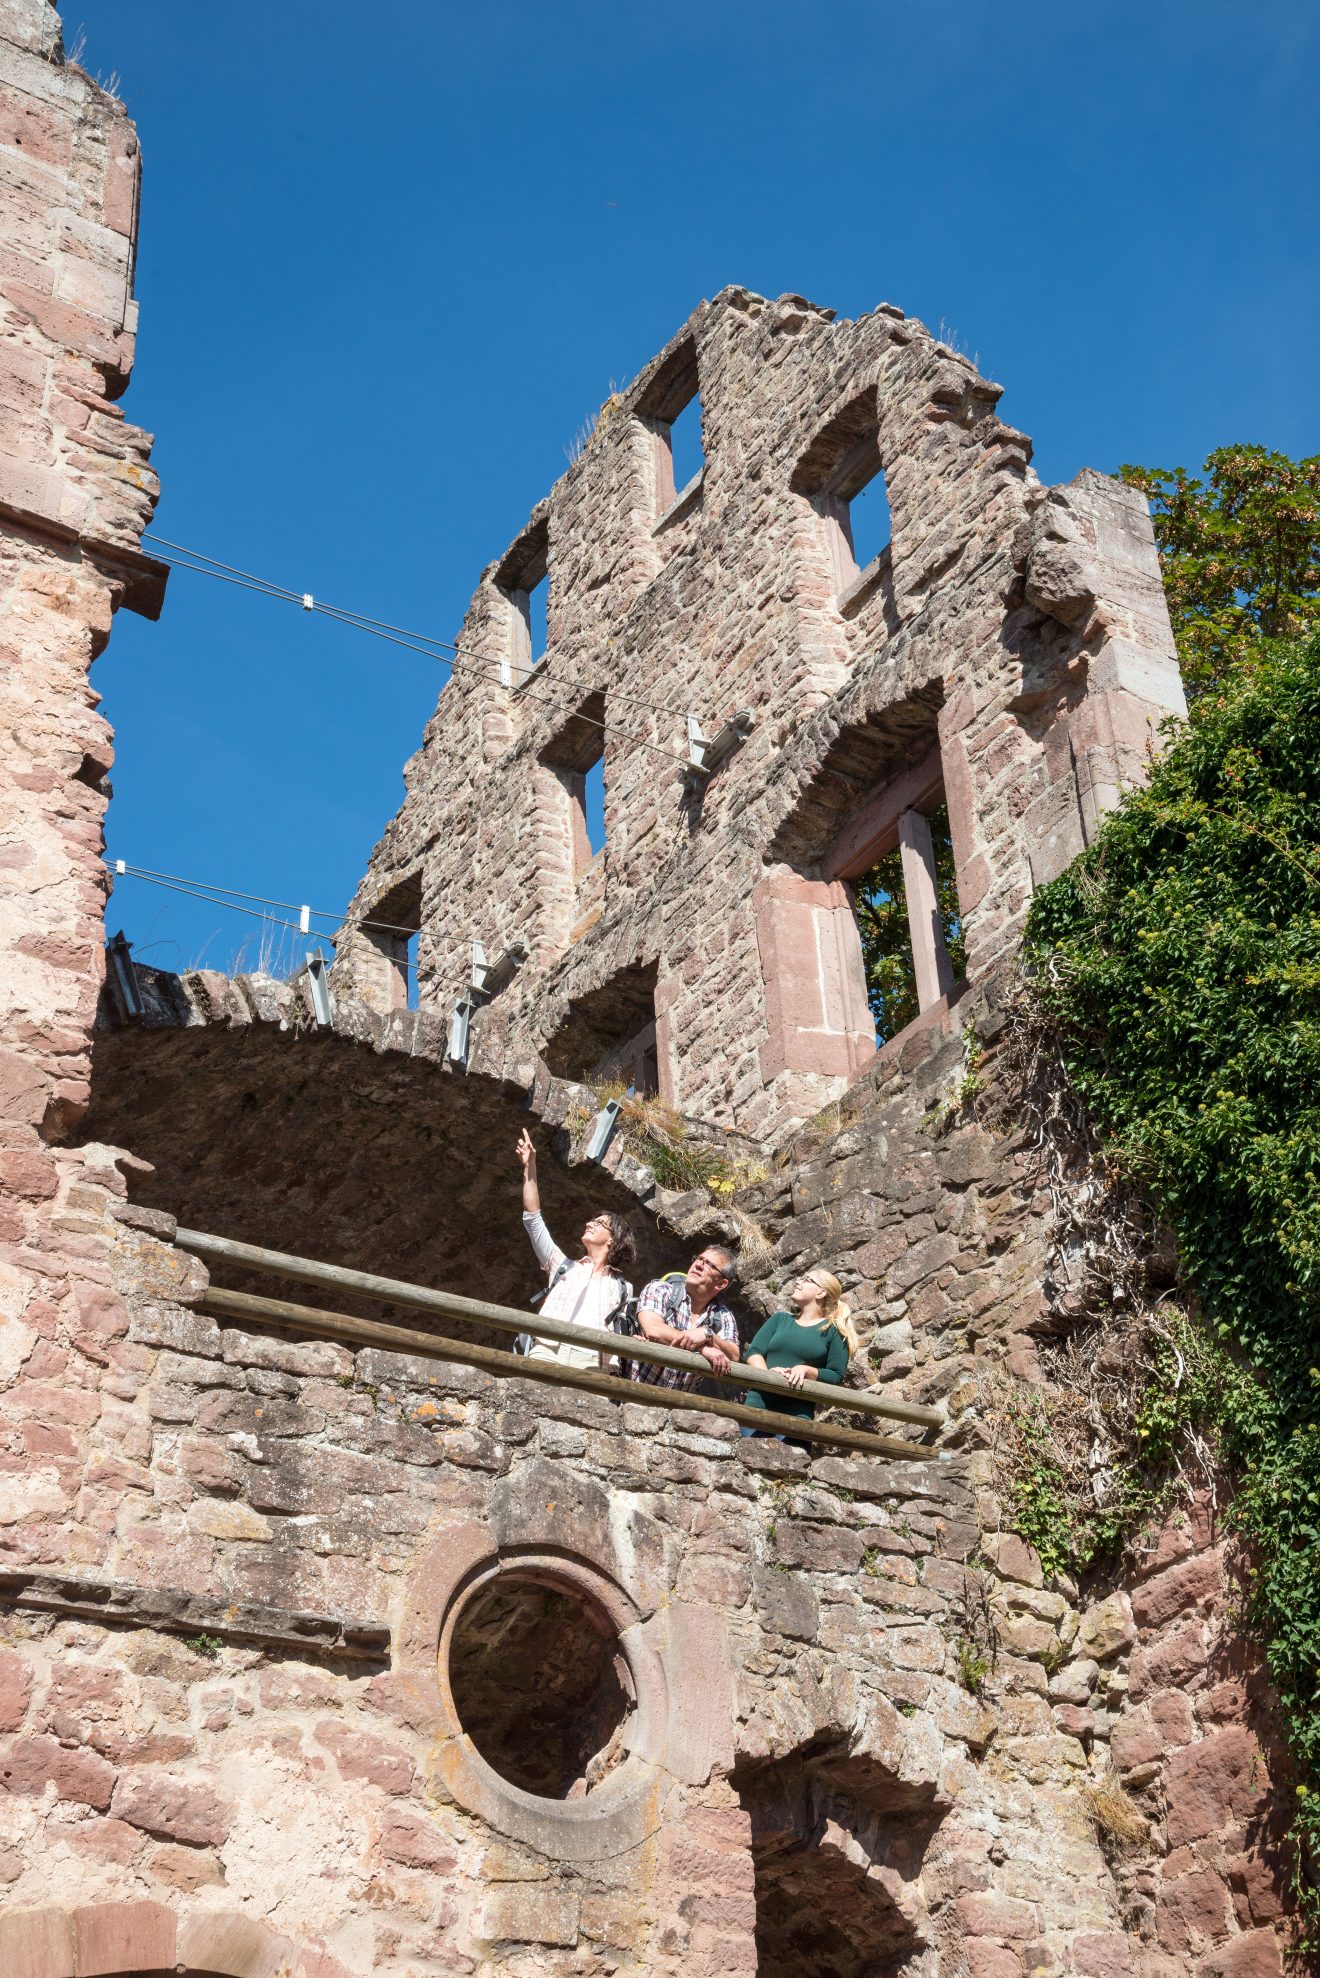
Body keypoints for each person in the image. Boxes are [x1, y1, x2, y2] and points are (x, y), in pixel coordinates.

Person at [516, 1129, 637, 1371]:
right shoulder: (562, 1265)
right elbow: (533, 1218)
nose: (588, 1223)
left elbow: (620, 1331)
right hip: (548, 1350)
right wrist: (530, 1167)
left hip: (595, 1361)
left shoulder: (624, 1286)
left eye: (599, 1223)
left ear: (613, 1240)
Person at [738, 1268, 860, 1437]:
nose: (797, 1281)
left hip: (797, 1416)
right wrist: (769, 1375)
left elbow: (836, 1374)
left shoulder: (835, 1331)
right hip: (758, 1405)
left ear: (821, 1292)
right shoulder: (779, 1319)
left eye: (807, 1279)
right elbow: (754, 1351)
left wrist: (806, 1370)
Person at [631, 1245, 740, 1393]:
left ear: (721, 1283)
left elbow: (734, 1355)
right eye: (700, 1258)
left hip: (680, 1412)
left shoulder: (724, 1315)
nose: (699, 1264)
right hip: (634, 1396)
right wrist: (703, 1348)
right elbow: (653, 1329)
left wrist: (708, 1334)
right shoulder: (661, 1289)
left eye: (710, 1265)